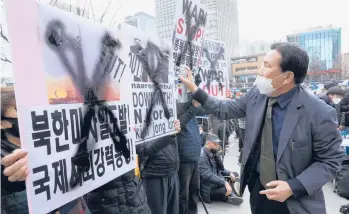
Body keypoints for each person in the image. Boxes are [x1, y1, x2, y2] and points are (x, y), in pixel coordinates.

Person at [179, 43, 345, 214]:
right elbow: (225, 109)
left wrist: (293, 186)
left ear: (287, 77)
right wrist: (194, 89)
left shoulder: (319, 112)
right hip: (258, 189)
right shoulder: (257, 94)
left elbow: (330, 160)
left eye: (266, 65)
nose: (259, 71)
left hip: (294, 201)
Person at [1, 88, 88, 214]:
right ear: (2, 123)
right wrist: (14, 179)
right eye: (18, 109)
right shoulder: (5, 161)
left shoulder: (59, 142)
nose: (31, 113)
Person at [134, 120, 181, 214]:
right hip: (154, 175)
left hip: (172, 173)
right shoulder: (136, 120)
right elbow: (143, 149)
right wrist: (169, 135)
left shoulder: (165, 115)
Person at [176, 98, 206, 214]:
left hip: (194, 157)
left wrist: (196, 100)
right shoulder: (177, 108)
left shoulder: (190, 108)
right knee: (183, 194)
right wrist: (193, 105)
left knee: (195, 190)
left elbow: (202, 108)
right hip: (184, 158)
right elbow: (180, 117)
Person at [199, 134, 243, 205]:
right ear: (208, 143)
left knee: (235, 174)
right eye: (215, 144)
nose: (218, 146)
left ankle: (233, 190)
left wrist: (229, 173)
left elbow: (220, 169)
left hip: (216, 180)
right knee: (224, 189)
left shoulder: (212, 152)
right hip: (208, 187)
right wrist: (224, 182)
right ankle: (231, 193)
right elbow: (208, 176)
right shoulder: (201, 157)